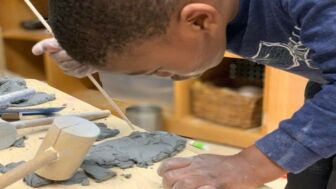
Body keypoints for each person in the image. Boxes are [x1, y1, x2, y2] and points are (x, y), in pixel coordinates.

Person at [32, 0, 336, 188]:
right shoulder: (198, 12)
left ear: (200, 20)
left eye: (157, 70)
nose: (163, 78)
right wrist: (100, 54)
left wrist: (249, 165)